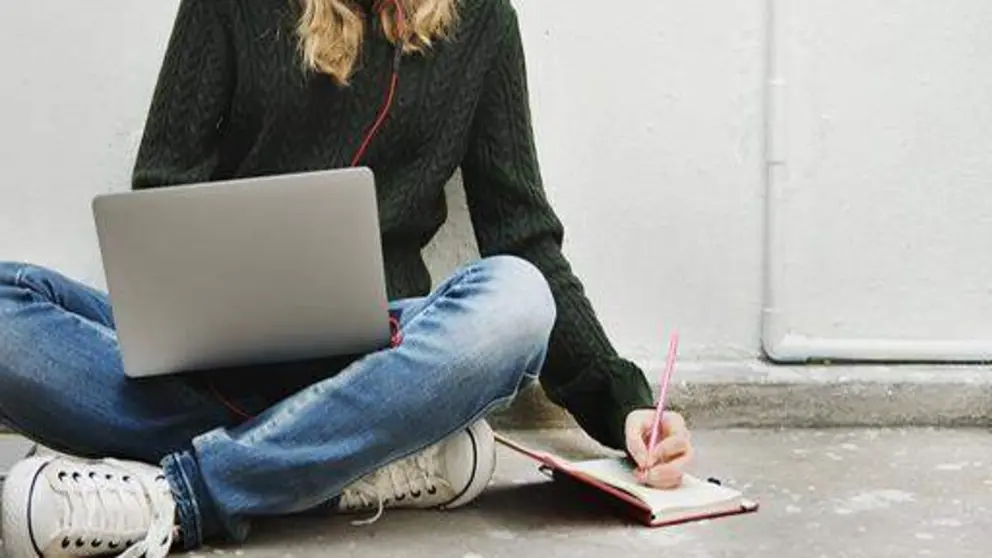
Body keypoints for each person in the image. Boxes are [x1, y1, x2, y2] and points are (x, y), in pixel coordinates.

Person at [0, 0, 694, 556]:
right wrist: (204, 314)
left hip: (381, 359)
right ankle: (346, 463)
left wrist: (623, 401)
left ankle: (184, 494)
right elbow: (162, 192)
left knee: (516, 301)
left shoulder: (482, 20)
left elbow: (523, 234)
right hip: (215, 360)